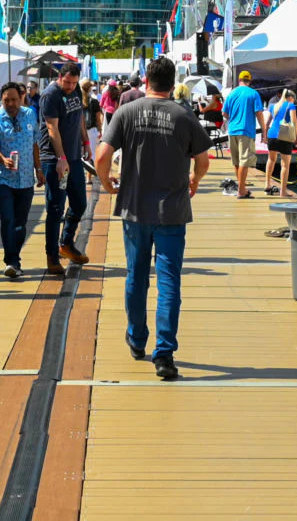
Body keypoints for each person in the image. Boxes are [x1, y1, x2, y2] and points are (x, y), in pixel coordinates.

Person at [94, 55, 211, 381]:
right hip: (172, 211)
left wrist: (106, 182)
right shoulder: (183, 115)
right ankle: (164, 353)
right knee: (169, 281)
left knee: (136, 276)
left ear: (146, 81)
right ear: (173, 84)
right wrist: (195, 180)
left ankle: (136, 337)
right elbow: (204, 160)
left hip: (134, 208)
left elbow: (102, 155)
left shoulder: (127, 111)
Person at [37, 61, 93, 278]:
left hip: (74, 158)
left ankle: (66, 243)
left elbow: (78, 116)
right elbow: (52, 128)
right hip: (54, 159)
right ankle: (52, 256)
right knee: (55, 208)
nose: (70, 86)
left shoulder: (75, 90)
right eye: (67, 82)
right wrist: (60, 158)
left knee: (80, 203)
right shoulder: (50, 95)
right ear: (59, 77)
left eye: (74, 83)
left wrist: (86, 141)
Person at [0, 79, 42, 280]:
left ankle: (14, 256)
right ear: (1, 100)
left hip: (26, 177)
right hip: (3, 178)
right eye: (6, 100)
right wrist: (3, 160)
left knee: (21, 221)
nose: (10, 104)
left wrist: (39, 169)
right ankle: (11, 261)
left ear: (21, 98)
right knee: (7, 218)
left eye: (14, 100)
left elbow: (35, 143)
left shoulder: (30, 115)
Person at [220, 70, 265, 199]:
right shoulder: (254, 93)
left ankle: (242, 188)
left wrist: (234, 118)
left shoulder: (232, 93)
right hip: (246, 131)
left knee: (237, 161)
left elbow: (224, 113)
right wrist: (264, 130)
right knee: (244, 161)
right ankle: (241, 190)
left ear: (239, 80)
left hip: (232, 130)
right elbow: (259, 113)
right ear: (249, 81)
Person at [262, 86, 297, 195]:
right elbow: (294, 122)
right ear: (290, 97)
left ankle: (267, 185)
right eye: (293, 99)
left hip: (272, 135)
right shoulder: (291, 106)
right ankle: (283, 191)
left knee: (271, 160)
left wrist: (265, 137)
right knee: (285, 164)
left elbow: (267, 124)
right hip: (284, 136)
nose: (293, 101)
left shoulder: (272, 106)